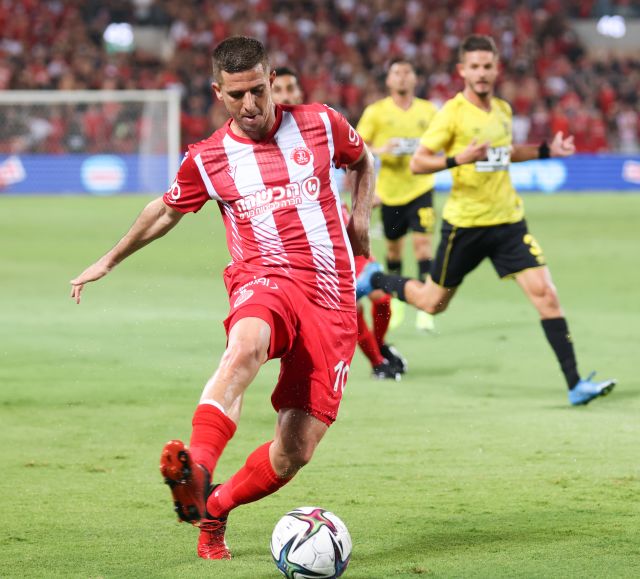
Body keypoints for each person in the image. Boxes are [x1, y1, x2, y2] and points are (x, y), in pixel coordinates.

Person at [70, 36, 375, 559]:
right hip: (265, 279)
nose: (250, 105)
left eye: (258, 90)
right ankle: (197, 471)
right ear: (218, 93)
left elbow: (364, 159)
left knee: (294, 451)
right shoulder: (209, 158)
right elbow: (165, 211)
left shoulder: (321, 122)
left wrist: (361, 218)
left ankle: (214, 507)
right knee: (245, 345)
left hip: (331, 299)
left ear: (272, 80)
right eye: (237, 95)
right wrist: (110, 259)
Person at [358, 34, 616, 406]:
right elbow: (419, 162)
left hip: (508, 222)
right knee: (432, 302)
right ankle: (375, 278)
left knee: (546, 295)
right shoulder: (452, 113)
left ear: (497, 69)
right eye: (474, 66)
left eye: (487, 66)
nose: (481, 73)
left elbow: (507, 152)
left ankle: (576, 384)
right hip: (465, 225)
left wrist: (547, 149)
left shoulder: (502, 111)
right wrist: (458, 159)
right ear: (462, 70)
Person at [270, 65, 405, 380]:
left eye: (291, 88)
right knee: (351, 306)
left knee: (382, 298)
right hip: (312, 240)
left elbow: (358, 162)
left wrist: (362, 201)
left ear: (300, 92)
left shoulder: (322, 126)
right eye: (279, 90)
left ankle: (380, 347)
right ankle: (378, 363)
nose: (286, 95)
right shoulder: (266, 141)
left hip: (341, 226)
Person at [356, 58, 439, 332]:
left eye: (407, 72)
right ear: (389, 80)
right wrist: (381, 150)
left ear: (415, 78)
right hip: (390, 193)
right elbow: (357, 146)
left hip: (421, 188)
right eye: (397, 73)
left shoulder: (429, 111)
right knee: (394, 250)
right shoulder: (376, 112)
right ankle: (398, 298)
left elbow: (443, 142)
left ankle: (426, 305)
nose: (402, 77)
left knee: (423, 247)